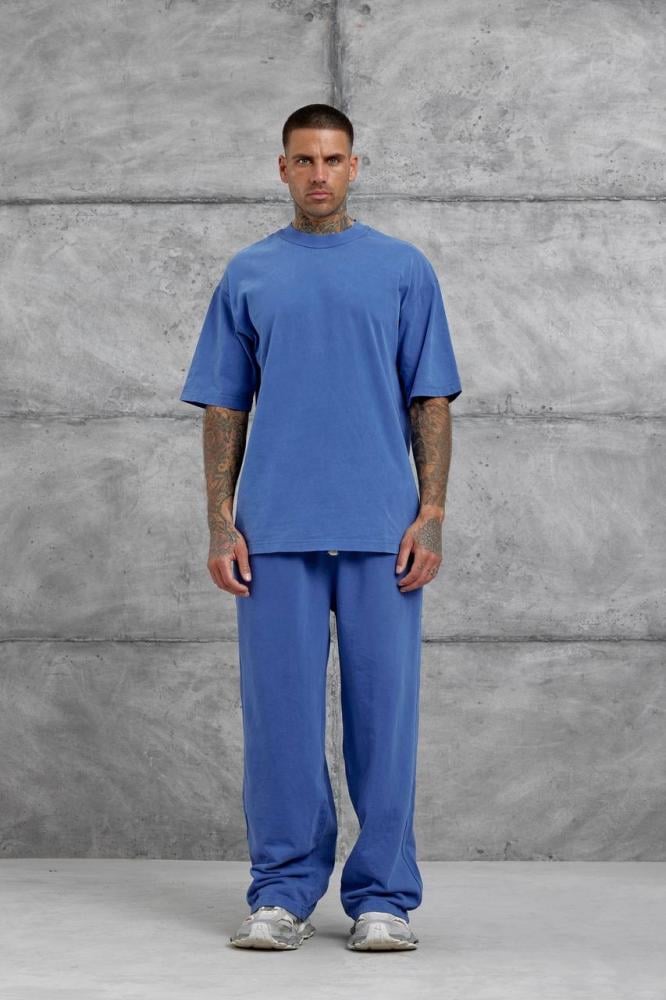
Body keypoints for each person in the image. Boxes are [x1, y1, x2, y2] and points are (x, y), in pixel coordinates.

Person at [179, 103, 462, 952]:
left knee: (385, 721)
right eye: (303, 160)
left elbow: (430, 399)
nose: (318, 174)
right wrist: (220, 523)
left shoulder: (402, 270)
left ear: (355, 166)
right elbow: (225, 404)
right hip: (275, 533)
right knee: (282, 726)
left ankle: (384, 899)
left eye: (333, 160)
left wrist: (431, 514)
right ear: (282, 168)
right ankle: (281, 893)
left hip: (381, 531)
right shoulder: (249, 274)